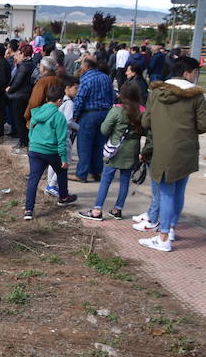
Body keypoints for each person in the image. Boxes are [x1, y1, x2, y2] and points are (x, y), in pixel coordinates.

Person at [138, 56, 206, 251]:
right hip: (187, 149)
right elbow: (202, 125)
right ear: (186, 73)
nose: (195, 76)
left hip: (163, 148)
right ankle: (171, 229)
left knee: (166, 192)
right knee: (179, 190)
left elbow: (146, 122)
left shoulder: (156, 92)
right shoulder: (196, 96)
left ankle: (164, 237)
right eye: (194, 72)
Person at [77, 83, 144, 221]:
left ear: (122, 95)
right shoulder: (142, 111)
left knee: (106, 179)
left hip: (115, 149)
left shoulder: (116, 111)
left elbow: (104, 129)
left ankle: (97, 210)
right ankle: (117, 209)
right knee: (125, 180)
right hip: (132, 150)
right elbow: (146, 131)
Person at [23, 85, 78, 220]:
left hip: (35, 150)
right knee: (61, 171)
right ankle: (63, 197)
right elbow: (61, 140)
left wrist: (34, 143)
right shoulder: (59, 117)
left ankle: (29, 210)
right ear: (59, 101)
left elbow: (30, 131)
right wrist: (64, 159)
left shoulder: (36, 112)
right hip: (51, 152)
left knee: (33, 180)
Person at [72, 57, 115, 183]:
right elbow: (112, 96)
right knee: (99, 144)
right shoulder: (106, 78)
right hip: (104, 114)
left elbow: (80, 99)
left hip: (89, 114)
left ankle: (81, 173)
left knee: (84, 145)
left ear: (86, 66)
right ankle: (96, 172)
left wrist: (75, 114)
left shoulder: (85, 79)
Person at [44, 77, 80, 197]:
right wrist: (79, 127)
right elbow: (68, 121)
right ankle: (52, 185)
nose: (77, 91)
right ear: (67, 88)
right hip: (64, 135)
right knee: (66, 161)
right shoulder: (69, 103)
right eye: (75, 88)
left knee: (53, 161)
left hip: (53, 134)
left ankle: (49, 184)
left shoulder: (58, 101)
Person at [6, 45, 34, 153]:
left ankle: (24, 143)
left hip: (20, 96)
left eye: (19, 54)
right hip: (25, 95)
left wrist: (9, 89)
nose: (17, 56)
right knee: (22, 120)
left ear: (23, 54)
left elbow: (18, 81)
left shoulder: (24, 66)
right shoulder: (31, 64)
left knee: (19, 121)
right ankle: (23, 142)